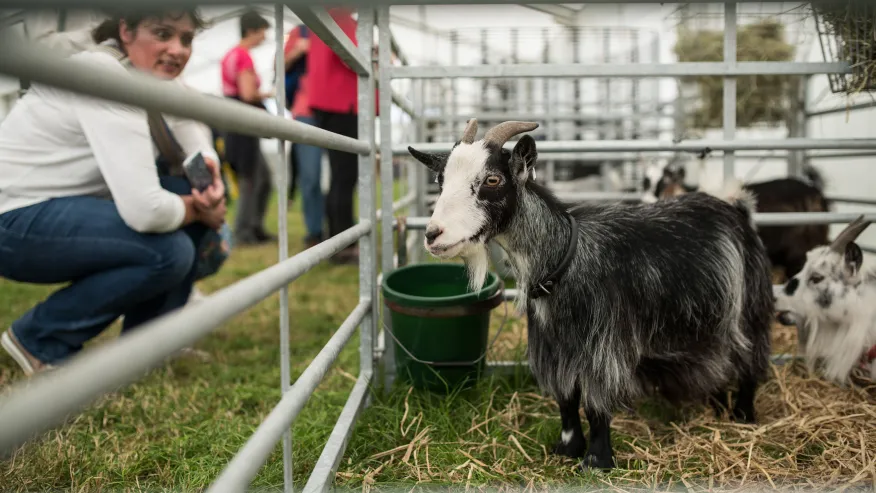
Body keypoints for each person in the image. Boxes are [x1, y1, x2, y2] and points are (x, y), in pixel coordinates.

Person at [0, 8, 227, 376]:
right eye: (163, 33)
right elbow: (146, 211)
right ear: (126, 30)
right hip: (12, 220)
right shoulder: (104, 74)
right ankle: (38, 339)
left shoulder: (143, 75)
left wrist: (208, 171)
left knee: (179, 214)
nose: (178, 49)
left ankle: (146, 351)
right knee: (168, 252)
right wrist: (201, 209)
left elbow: (187, 118)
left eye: (186, 38)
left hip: (51, 210)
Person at [306, 7, 368, 264]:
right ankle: (343, 244)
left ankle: (340, 239)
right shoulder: (340, 17)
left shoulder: (325, 16)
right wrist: (374, 55)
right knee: (344, 178)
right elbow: (352, 55)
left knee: (341, 178)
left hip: (334, 105)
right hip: (343, 105)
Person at [220, 9, 276, 246]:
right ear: (252, 30)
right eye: (262, 32)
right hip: (242, 124)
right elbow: (247, 93)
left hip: (234, 122)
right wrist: (270, 93)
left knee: (260, 178)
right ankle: (244, 232)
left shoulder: (230, 55)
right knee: (250, 179)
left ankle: (254, 228)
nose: (264, 38)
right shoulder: (243, 56)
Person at [284, 24, 325, 249]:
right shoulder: (300, 32)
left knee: (344, 177)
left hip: (337, 110)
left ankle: (343, 228)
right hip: (306, 112)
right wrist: (299, 50)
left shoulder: (346, 26)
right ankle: (314, 232)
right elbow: (279, 65)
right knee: (310, 178)